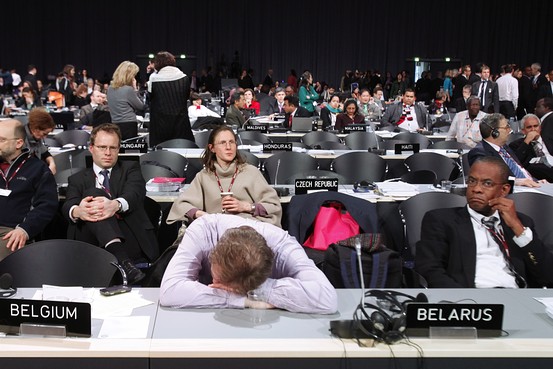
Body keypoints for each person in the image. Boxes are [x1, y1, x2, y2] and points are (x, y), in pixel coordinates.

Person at [416, 156, 553, 288]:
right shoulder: (442, 220)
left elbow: (547, 276)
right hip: (471, 300)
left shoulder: (521, 223)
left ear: (504, 190)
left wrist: (518, 230)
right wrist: (464, 301)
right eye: (472, 181)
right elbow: (430, 270)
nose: (476, 189)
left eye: (487, 183)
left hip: (518, 297)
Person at [160, 213, 338, 314]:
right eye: (216, 283)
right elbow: (170, 291)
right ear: (213, 254)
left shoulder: (285, 246)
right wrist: (244, 300)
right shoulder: (203, 230)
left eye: (219, 286)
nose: (215, 286)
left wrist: (261, 290)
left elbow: (327, 299)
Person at [62, 123, 159, 284]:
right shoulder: (77, 179)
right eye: (102, 147)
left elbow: (134, 193)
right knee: (93, 194)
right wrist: (78, 211)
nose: (108, 153)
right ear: (91, 148)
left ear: (118, 149)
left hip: (129, 234)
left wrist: (115, 205)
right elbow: (68, 204)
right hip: (90, 238)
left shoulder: (131, 168)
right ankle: (123, 262)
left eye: (113, 148)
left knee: (94, 194)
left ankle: (121, 258)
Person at [167, 125, 281, 227]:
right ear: (212, 148)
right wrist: (202, 215)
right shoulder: (204, 176)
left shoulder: (251, 172)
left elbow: (273, 205)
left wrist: (246, 207)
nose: (228, 147)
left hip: (247, 231)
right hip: (214, 231)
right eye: (223, 143)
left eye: (232, 142)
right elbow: (182, 205)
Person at [0, 119, 58, 261]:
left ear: (19, 143)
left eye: (1, 140)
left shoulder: (38, 169)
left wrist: (25, 229)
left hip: (12, 231)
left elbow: (47, 205)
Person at [468, 113, 544, 187]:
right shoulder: (479, 153)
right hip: (515, 192)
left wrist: (535, 181)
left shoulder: (505, 147)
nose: (510, 130)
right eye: (506, 127)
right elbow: (489, 179)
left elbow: (520, 169)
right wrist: (516, 181)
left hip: (531, 185)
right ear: (495, 132)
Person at [147, 51, 193, 147]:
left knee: (160, 157)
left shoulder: (154, 79)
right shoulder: (184, 78)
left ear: (157, 63)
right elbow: (186, 97)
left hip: (160, 125)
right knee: (183, 152)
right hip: (181, 123)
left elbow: (150, 99)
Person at [509, 114, 553, 182]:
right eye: (529, 127)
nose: (533, 129)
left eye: (536, 126)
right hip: (538, 173)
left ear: (540, 127)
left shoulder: (550, 139)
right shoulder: (516, 145)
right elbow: (516, 162)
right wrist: (526, 141)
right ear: (523, 131)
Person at [107, 61, 144, 141]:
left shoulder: (110, 88)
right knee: (129, 151)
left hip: (115, 124)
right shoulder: (128, 90)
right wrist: (135, 89)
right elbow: (141, 106)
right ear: (130, 76)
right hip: (128, 125)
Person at [25, 108, 57, 174]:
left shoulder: (37, 138)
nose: (45, 137)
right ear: (35, 129)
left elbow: (45, 153)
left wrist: (52, 163)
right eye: (44, 134)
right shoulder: (21, 138)